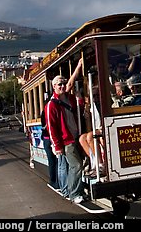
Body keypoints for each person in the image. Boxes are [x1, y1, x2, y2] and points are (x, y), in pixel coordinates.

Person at [46, 58, 87, 204]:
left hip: (77, 136)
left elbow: (79, 110)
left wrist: (80, 99)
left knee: (76, 166)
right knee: (76, 165)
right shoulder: (52, 105)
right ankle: (74, 193)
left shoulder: (69, 98)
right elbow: (52, 128)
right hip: (66, 140)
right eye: (59, 84)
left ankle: (75, 190)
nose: (62, 86)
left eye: (63, 83)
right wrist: (57, 147)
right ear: (54, 87)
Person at [78, 86, 106, 178]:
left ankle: (101, 165)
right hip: (97, 129)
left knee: (90, 135)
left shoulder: (103, 104)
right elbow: (90, 127)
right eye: (94, 96)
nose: (96, 98)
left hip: (104, 128)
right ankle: (94, 163)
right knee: (82, 138)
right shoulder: (91, 107)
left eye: (97, 95)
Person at [41, 105, 59, 191]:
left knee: (52, 161)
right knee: (55, 161)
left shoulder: (44, 112)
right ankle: (56, 182)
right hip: (50, 139)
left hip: (46, 139)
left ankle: (53, 181)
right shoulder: (51, 111)